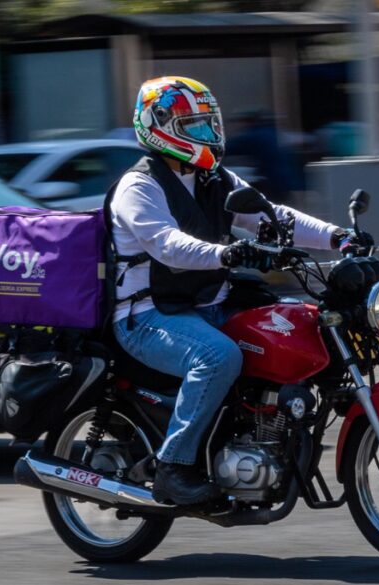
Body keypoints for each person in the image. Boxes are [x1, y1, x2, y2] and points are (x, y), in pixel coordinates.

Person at [109, 76, 348, 506]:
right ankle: (173, 468)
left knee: (298, 321)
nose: (207, 135)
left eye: (208, 124)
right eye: (194, 125)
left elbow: (273, 217)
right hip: (147, 317)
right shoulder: (138, 186)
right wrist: (228, 255)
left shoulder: (213, 179)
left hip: (207, 306)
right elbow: (168, 245)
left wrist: (338, 237)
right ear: (159, 124)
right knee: (218, 356)